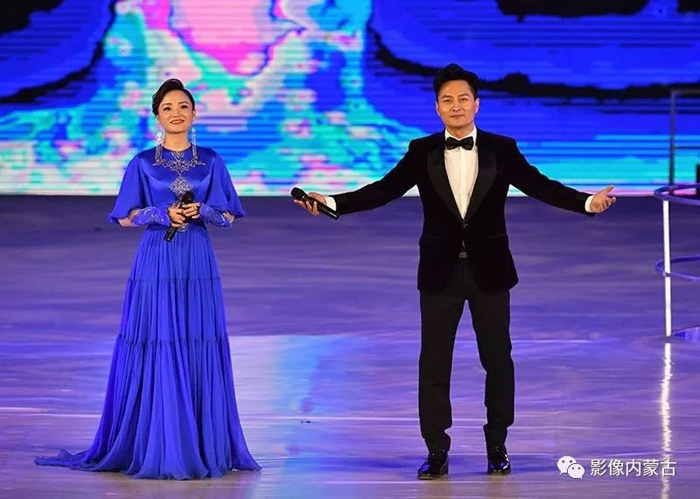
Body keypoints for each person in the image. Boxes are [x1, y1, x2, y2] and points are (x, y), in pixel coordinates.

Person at [294, 63, 615, 479]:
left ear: (476, 104)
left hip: (491, 271)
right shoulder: (422, 151)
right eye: (448, 100)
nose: (456, 106)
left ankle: (497, 444)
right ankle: (436, 450)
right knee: (434, 363)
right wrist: (333, 202)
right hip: (439, 272)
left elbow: (541, 186)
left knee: (497, 359)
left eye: (463, 98)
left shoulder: (502, 149)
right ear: (437, 107)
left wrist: (587, 202)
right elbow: (383, 190)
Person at [35, 78, 260, 479]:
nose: (176, 113)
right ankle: (155, 441)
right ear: (157, 116)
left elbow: (228, 216)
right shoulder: (142, 163)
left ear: (194, 114)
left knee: (196, 339)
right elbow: (125, 216)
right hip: (156, 259)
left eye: (183, 106)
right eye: (167, 108)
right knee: (158, 339)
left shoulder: (211, 161)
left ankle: (199, 444)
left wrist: (203, 211)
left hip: (196, 261)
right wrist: (159, 214)